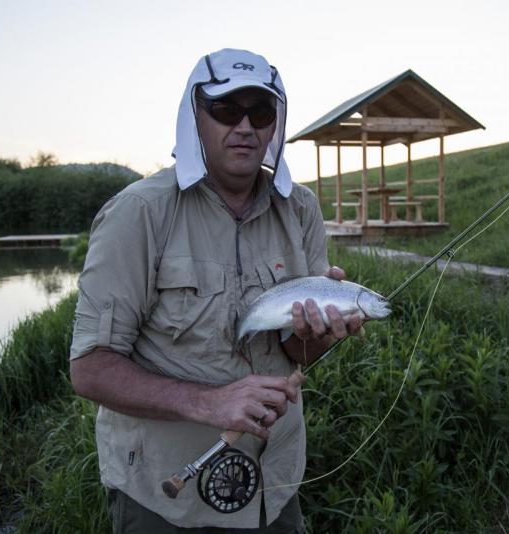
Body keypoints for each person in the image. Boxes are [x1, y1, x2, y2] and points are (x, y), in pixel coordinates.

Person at [69, 48, 363, 533]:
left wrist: (318, 335)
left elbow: (297, 351)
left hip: (274, 485)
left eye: (261, 111)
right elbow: (90, 369)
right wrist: (208, 402)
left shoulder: (302, 209)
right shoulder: (138, 213)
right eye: (226, 109)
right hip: (165, 498)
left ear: (275, 123)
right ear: (196, 117)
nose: (245, 126)